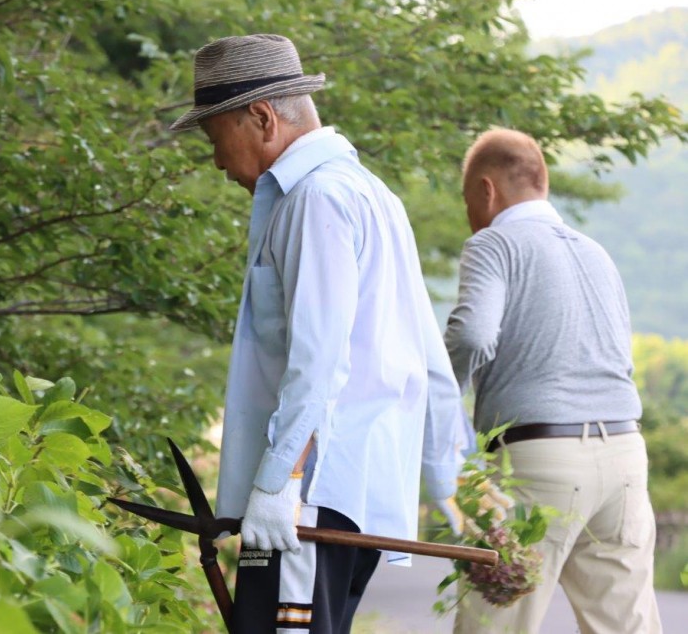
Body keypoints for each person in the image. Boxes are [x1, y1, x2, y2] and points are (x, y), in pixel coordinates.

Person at [169, 34, 466, 633]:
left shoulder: (317, 199)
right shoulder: (373, 195)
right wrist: (445, 481)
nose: (218, 162)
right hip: (347, 494)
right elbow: (428, 360)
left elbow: (319, 360)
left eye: (214, 138)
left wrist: (280, 482)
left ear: (261, 117)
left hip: (309, 494)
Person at [444, 128, 661, 633]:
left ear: (485, 190)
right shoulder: (597, 254)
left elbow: (473, 334)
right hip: (625, 454)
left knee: (493, 623)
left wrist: (438, 402)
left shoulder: (492, 243)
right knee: (626, 625)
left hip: (539, 461)